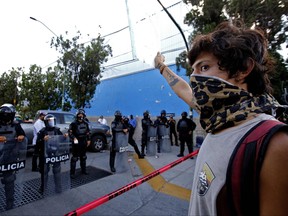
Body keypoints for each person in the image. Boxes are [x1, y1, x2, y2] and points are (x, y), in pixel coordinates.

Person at [154, 20, 288, 215]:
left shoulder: (273, 144)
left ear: (243, 69)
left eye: (204, 68)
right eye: (193, 71)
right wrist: (160, 67)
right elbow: (183, 89)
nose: (195, 78)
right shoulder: (219, 119)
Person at [0, 104, 26, 210]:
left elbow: (22, 134)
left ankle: (9, 203)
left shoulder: (16, 125)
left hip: (10, 156)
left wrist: (21, 136)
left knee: (9, 180)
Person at [36, 114, 67, 194]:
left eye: (52, 120)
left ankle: (58, 187)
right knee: (44, 171)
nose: (51, 122)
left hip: (55, 153)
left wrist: (65, 136)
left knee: (57, 171)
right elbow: (37, 143)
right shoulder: (42, 131)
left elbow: (61, 139)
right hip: (45, 153)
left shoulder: (57, 130)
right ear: (46, 122)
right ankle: (43, 188)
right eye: (50, 121)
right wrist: (43, 139)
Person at [69, 109, 91, 179]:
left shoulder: (85, 123)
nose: (80, 116)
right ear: (77, 115)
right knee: (74, 158)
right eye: (79, 114)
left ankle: (83, 170)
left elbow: (88, 132)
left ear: (84, 115)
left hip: (83, 141)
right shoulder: (73, 124)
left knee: (83, 157)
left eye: (82, 115)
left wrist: (89, 139)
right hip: (76, 142)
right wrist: (74, 138)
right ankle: (72, 173)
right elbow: (70, 133)